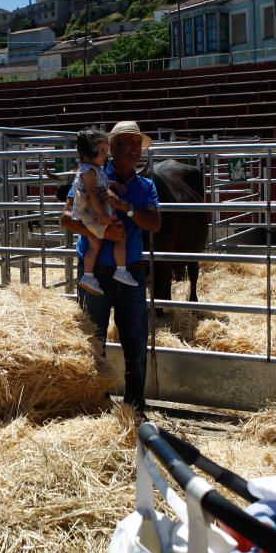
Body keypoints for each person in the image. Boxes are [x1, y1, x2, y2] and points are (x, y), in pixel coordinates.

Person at [60, 122, 161, 415]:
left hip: (131, 272)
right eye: (127, 143)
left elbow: (155, 224)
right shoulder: (92, 175)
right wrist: (103, 234)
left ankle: (134, 406)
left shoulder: (146, 186)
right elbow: (66, 219)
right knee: (94, 340)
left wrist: (125, 206)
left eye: (138, 145)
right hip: (97, 273)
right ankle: (96, 403)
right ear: (112, 148)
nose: (135, 150)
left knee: (136, 342)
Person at [71, 128, 137, 295]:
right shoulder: (90, 171)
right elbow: (92, 194)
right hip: (93, 211)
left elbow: (101, 186)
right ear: (88, 153)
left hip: (91, 210)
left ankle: (88, 275)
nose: (105, 155)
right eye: (101, 151)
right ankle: (120, 270)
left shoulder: (92, 169)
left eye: (105, 151)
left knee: (95, 244)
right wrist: (103, 216)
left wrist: (115, 185)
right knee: (120, 234)